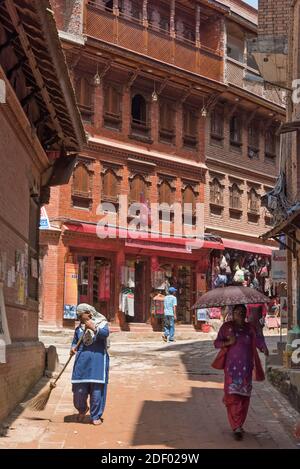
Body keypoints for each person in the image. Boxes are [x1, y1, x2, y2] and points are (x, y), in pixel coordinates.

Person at [213, 304, 266, 440]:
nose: (240, 314)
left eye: (243, 311)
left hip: (247, 368)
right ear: (233, 312)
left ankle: (240, 423)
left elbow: (259, 339)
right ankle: (235, 425)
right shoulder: (226, 327)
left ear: (246, 313)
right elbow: (217, 343)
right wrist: (227, 342)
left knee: (244, 398)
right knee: (232, 397)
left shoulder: (250, 328)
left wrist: (263, 348)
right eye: (237, 311)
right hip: (231, 369)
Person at [70, 303, 110, 425]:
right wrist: (72, 348)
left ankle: (95, 415)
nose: (79, 318)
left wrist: (93, 327)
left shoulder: (102, 323)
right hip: (82, 363)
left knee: (97, 392)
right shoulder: (79, 329)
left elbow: (104, 334)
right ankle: (82, 409)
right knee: (79, 391)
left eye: (80, 315)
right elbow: (75, 341)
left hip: (98, 362)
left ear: (89, 313)